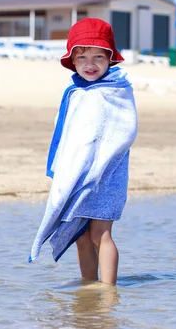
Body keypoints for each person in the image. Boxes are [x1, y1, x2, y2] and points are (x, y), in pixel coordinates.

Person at [29, 18, 138, 286]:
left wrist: (99, 164)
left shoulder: (116, 91)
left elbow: (123, 131)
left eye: (98, 57)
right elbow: (70, 136)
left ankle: (108, 292)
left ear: (110, 59)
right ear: (73, 60)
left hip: (106, 176)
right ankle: (89, 285)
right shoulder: (76, 92)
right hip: (80, 174)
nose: (90, 64)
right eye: (83, 57)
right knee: (80, 234)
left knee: (100, 234)